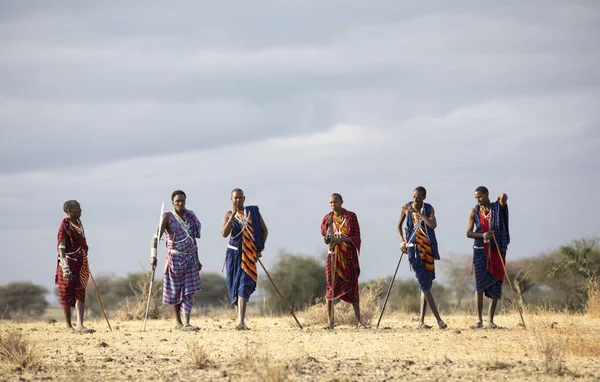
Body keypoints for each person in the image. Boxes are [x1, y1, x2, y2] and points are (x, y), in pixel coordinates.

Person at [151, 190, 202, 331]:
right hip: (175, 258)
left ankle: (187, 322)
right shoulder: (167, 217)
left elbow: (193, 238)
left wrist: (198, 259)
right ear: (172, 202)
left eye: (182, 201)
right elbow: (156, 237)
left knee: (188, 291)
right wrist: (153, 255)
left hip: (191, 257)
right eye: (177, 201)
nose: (180, 203)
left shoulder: (190, 216)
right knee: (175, 291)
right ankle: (178, 322)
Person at [397, 186, 447, 329]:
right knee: (424, 284)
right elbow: (398, 226)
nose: (415, 199)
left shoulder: (429, 208)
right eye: (413, 196)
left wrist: (418, 213)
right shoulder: (406, 208)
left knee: (426, 284)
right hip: (414, 250)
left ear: (424, 197)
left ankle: (421, 322)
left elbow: (432, 225)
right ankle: (439, 320)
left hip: (428, 249)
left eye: (418, 197)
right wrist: (402, 241)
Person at [220, 188, 268, 330]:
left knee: (244, 285)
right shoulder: (228, 215)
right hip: (234, 255)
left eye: (240, 198)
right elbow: (224, 233)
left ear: (244, 198)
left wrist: (259, 249)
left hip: (249, 254)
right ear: (231, 199)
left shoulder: (252, 212)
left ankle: (241, 321)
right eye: (235, 198)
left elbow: (264, 231)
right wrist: (233, 215)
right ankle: (239, 321)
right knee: (235, 286)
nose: (238, 200)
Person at [321, 193, 369, 329]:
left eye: (335, 202)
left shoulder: (351, 217)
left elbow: (356, 236)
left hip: (348, 256)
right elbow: (326, 240)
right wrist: (328, 227)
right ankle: (330, 322)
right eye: (330, 203)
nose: (333, 205)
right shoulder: (327, 218)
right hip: (333, 256)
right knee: (330, 287)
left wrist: (341, 240)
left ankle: (359, 321)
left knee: (353, 287)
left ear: (341, 202)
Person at [466, 186, 509, 329]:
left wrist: (498, 200)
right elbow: (468, 233)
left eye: (480, 197)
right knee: (479, 286)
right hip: (480, 250)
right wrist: (483, 235)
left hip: (497, 250)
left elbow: (503, 196)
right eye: (476, 198)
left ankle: (490, 320)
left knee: (496, 284)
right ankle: (479, 320)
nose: (478, 200)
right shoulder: (475, 211)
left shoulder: (497, 208)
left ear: (486, 194)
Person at [55, 200, 94, 333]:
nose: (81, 210)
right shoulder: (64, 225)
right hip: (67, 263)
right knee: (66, 293)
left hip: (80, 262)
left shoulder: (78, 223)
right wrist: (65, 267)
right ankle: (68, 326)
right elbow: (61, 247)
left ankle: (80, 324)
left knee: (80, 291)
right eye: (78, 208)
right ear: (70, 211)